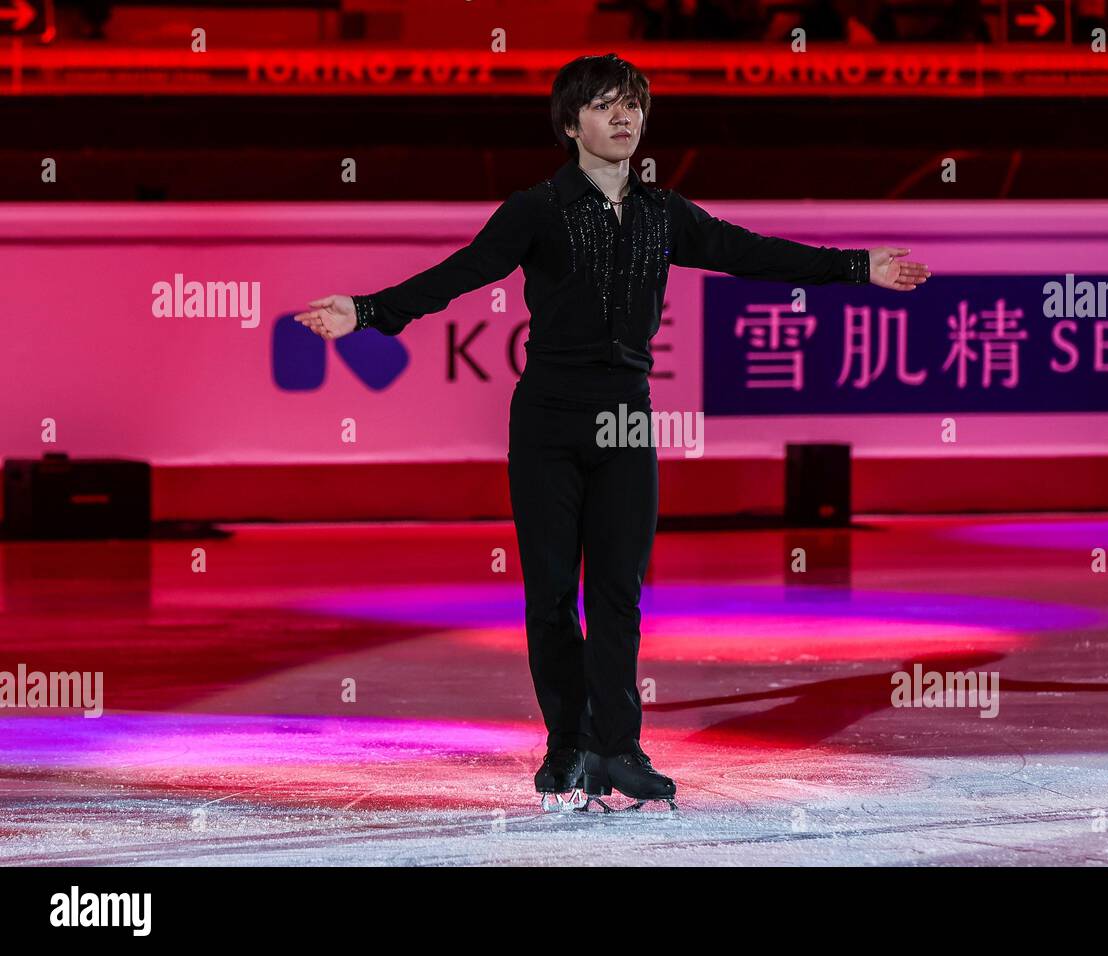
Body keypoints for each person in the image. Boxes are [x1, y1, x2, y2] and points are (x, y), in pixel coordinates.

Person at [295, 52, 930, 811]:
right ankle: (568, 745)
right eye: (603, 106)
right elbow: (465, 270)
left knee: (620, 591)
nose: (623, 117)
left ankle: (618, 749)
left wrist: (858, 267)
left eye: (631, 104)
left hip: (627, 416)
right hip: (549, 421)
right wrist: (367, 311)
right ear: (571, 125)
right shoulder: (536, 208)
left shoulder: (665, 212)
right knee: (554, 594)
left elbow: (750, 254)